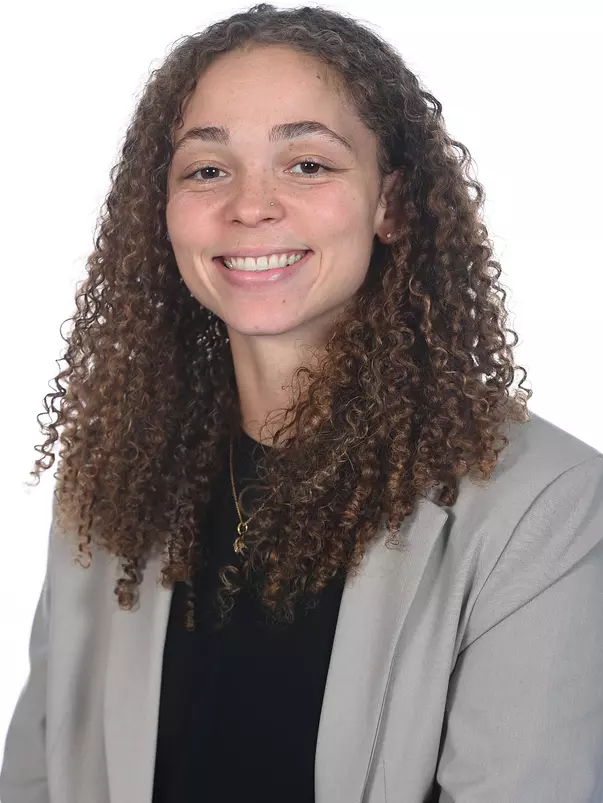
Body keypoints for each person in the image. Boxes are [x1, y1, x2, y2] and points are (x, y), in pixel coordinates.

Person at [1, 4, 602, 802]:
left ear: (390, 203)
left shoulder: (545, 505)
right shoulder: (107, 482)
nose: (250, 206)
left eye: (308, 164)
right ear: (164, 212)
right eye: (206, 169)